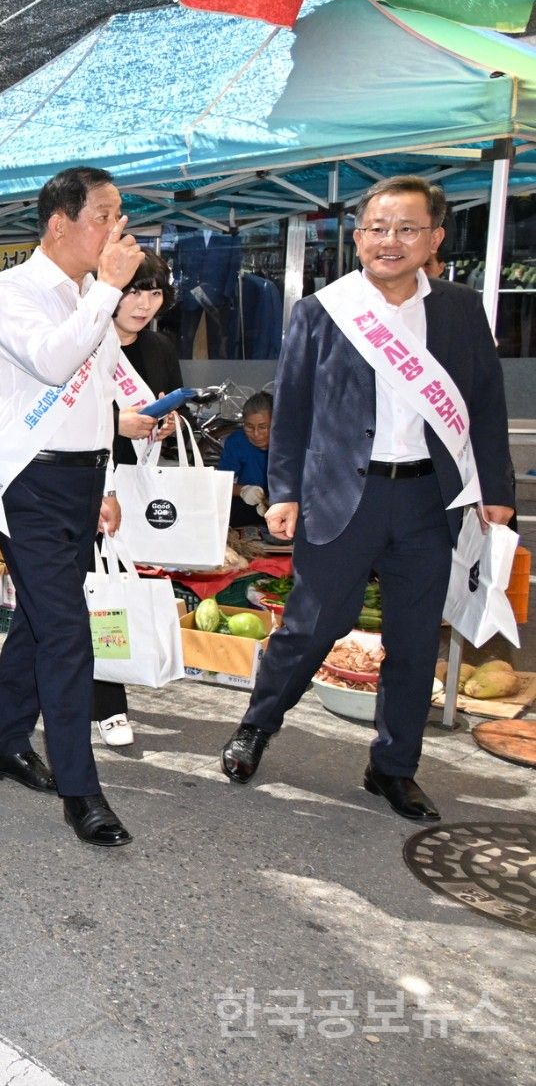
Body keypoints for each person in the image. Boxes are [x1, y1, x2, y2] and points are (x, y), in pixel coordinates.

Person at [220, 176, 514, 822]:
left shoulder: (461, 309)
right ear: (357, 238)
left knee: (413, 641)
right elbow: (292, 409)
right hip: (340, 497)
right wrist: (285, 491)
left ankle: (393, 765)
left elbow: (487, 404)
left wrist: (497, 490)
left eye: (408, 229)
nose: (391, 241)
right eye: (378, 228)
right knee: (310, 627)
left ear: (435, 238)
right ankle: (258, 724)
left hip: (427, 500)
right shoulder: (324, 309)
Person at [0, 166, 147, 848]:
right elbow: (50, 360)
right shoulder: (13, 291)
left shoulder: (87, 293)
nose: (115, 228)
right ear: (59, 223)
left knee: (42, 622)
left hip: (79, 479)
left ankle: (3, 744)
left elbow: (97, 394)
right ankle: (82, 791)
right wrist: (106, 293)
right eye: (104, 215)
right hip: (28, 485)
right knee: (69, 630)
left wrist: (107, 481)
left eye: (117, 214)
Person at [93, 252, 182, 749]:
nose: (144, 304)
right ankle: (108, 703)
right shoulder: (87, 341)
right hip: (86, 484)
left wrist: (165, 424)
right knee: (99, 587)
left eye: (154, 293)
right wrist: (114, 421)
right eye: (133, 291)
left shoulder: (161, 348)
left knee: (118, 586)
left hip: (137, 485)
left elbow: (162, 408)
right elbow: (57, 413)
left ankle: (94, 682)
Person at [217, 392, 273, 529]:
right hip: (251, 503)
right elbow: (221, 483)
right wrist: (243, 490)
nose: (256, 434)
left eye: (262, 427)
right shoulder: (237, 441)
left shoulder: (288, 445)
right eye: (249, 426)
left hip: (283, 503)